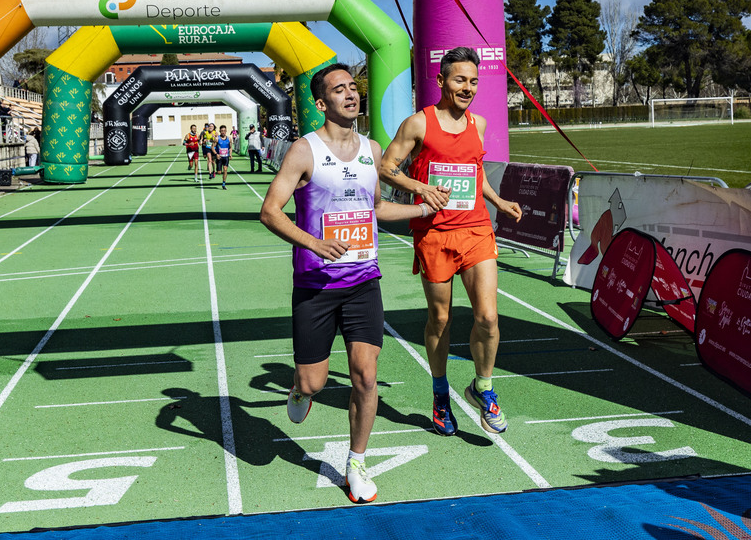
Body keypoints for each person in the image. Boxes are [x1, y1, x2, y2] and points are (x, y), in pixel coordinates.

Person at [260, 63, 435, 504]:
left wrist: (419, 209)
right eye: (340, 90)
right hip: (316, 286)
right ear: (321, 103)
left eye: (353, 87)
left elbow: (377, 209)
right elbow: (271, 211)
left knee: (365, 376)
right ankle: (301, 390)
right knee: (314, 382)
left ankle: (356, 463)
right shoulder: (303, 151)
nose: (351, 95)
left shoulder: (374, 150)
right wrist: (314, 243)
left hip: (363, 281)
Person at [379, 46, 523, 436]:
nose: (468, 87)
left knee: (488, 317)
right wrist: (420, 188)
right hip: (434, 234)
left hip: (476, 229)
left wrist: (498, 200)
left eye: (474, 81)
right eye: (460, 79)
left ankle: (484, 388)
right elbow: (386, 166)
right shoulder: (418, 124)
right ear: (441, 80)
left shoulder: (477, 124)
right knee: (440, 318)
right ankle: (440, 394)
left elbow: (475, 172)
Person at [215, 124, 232, 190]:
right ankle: (216, 170)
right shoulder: (217, 139)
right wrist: (216, 154)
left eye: (224, 131)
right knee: (219, 172)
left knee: (225, 169)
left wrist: (230, 154)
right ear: (220, 131)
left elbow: (230, 147)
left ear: (226, 131)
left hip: (226, 157)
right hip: (219, 157)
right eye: (222, 131)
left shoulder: (229, 139)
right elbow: (212, 147)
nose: (223, 132)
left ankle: (223, 183)